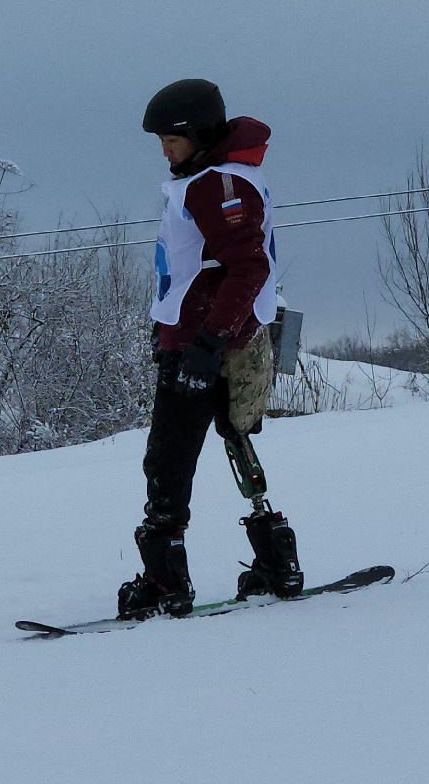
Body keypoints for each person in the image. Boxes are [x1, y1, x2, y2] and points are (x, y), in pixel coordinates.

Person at [118, 78, 304, 619]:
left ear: (200, 134)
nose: (164, 149)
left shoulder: (216, 186)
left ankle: (163, 581)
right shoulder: (217, 177)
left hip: (206, 341)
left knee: (168, 458)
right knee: (235, 439)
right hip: (208, 334)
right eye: (159, 141)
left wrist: (205, 343)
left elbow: (248, 267)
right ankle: (277, 560)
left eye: (171, 139)